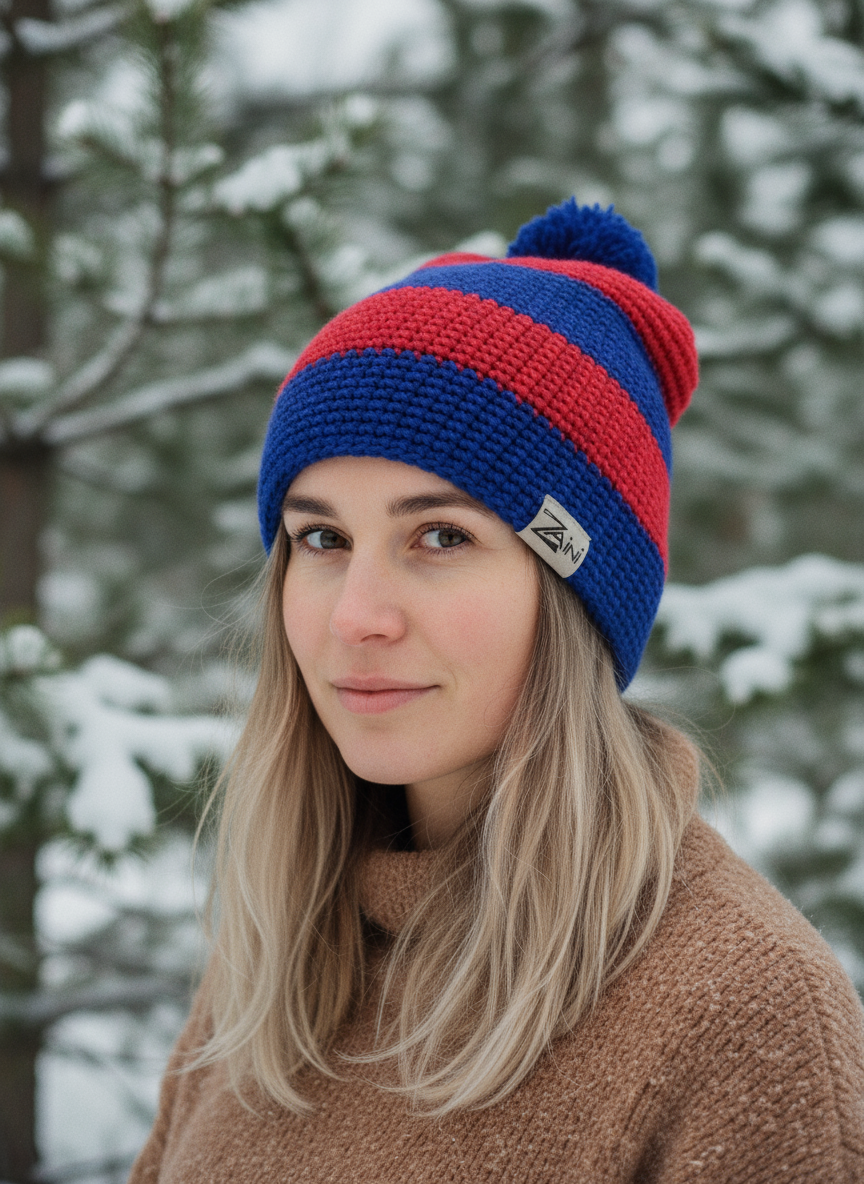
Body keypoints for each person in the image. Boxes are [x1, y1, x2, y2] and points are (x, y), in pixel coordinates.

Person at [129, 200, 864, 1183]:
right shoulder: (277, 958)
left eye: (440, 536)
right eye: (321, 537)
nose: (357, 614)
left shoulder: (741, 1005)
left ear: (571, 591)